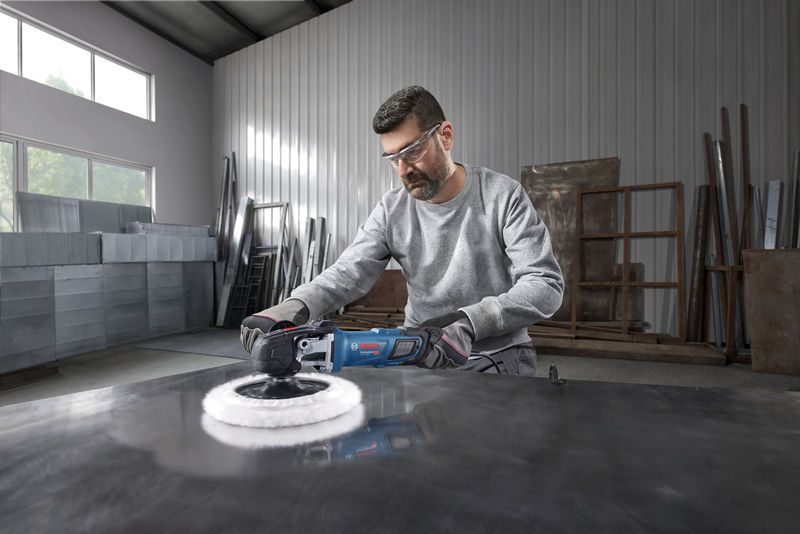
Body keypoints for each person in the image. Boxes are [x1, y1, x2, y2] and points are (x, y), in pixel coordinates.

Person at [241, 85, 563, 375]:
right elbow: (349, 273)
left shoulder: (501, 196)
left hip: (498, 353)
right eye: (392, 158)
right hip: (422, 351)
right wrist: (295, 305)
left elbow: (544, 284)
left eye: (412, 152)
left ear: (446, 136)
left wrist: (469, 322)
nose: (403, 170)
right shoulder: (391, 209)